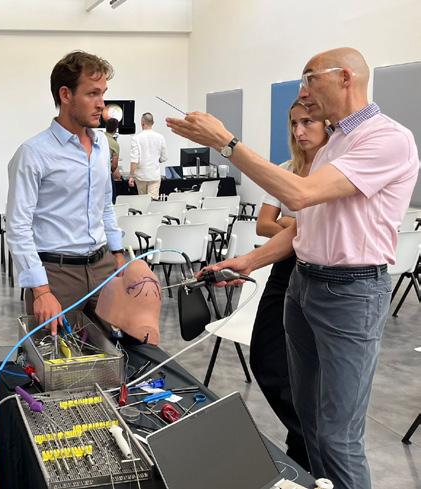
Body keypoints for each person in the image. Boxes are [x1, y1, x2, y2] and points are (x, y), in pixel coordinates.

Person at [166, 47, 419, 489]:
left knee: (338, 437)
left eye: (310, 78)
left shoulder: (387, 139)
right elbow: (306, 224)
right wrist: (247, 261)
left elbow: (299, 196)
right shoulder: (335, 143)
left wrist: (227, 144)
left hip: (350, 294)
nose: (303, 92)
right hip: (304, 285)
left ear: (345, 78)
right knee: (308, 424)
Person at [6, 50, 126, 336]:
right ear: (65, 94)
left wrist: (118, 252)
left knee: (113, 352)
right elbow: (18, 226)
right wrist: (41, 290)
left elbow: (105, 205)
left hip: (102, 266)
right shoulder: (33, 153)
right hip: (57, 275)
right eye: (92, 94)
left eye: (103, 94)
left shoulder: (101, 147)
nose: (102, 104)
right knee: (57, 359)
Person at [250, 98, 329, 471]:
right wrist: (299, 226)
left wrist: (293, 224)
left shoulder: (334, 171)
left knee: (312, 373)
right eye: (294, 124)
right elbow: (263, 224)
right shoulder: (286, 170)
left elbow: (320, 226)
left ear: (327, 124)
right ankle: (305, 440)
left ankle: (304, 448)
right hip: (284, 266)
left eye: (308, 122)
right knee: (265, 358)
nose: (299, 131)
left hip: (322, 272)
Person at [128, 112, 168, 199]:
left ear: (142, 123)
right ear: (153, 123)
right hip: (154, 175)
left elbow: (134, 160)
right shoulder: (160, 137)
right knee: (153, 202)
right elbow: (164, 158)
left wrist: (131, 176)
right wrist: (156, 160)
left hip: (141, 176)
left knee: (143, 202)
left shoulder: (136, 138)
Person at [104, 117, 122, 203]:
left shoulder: (98, 137)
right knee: (111, 200)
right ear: (116, 129)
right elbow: (114, 165)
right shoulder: (115, 144)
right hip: (106, 174)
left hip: (94, 173)